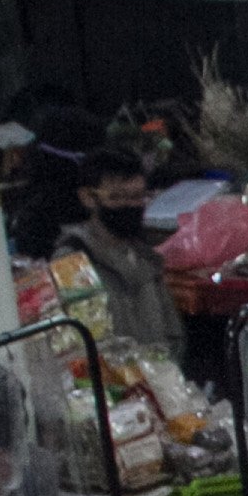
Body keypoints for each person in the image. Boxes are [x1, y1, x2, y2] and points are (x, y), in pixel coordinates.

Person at [59, 147, 181, 351]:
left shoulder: (144, 258)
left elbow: (173, 333)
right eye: (117, 197)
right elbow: (82, 348)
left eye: (138, 197)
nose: (131, 206)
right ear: (88, 197)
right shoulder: (73, 262)